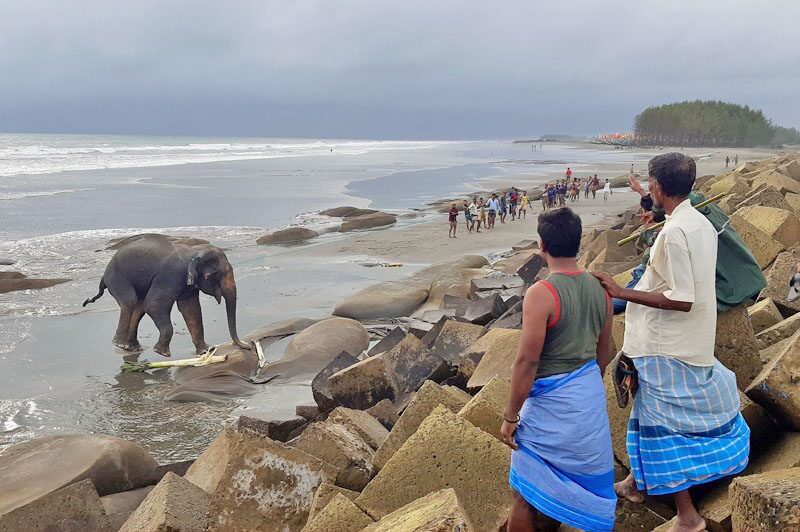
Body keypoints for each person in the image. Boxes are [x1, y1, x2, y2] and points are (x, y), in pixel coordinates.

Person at [593, 153, 750, 532]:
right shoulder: (697, 221)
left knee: (665, 430)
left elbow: (682, 298)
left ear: (658, 187)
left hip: (667, 348)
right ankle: (634, 484)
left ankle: (688, 517)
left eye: (650, 183)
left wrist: (619, 292)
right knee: (645, 416)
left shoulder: (677, 232)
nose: (649, 189)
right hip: (679, 342)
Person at [501, 207, 616, 532]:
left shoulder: (542, 293)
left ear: (542, 246)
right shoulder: (601, 291)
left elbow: (527, 362)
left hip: (551, 412)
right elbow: (602, 354)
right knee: (591, 490)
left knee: (522, 492)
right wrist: (584, 393)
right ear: (578, 243)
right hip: (587, 405)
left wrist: (511, 417)